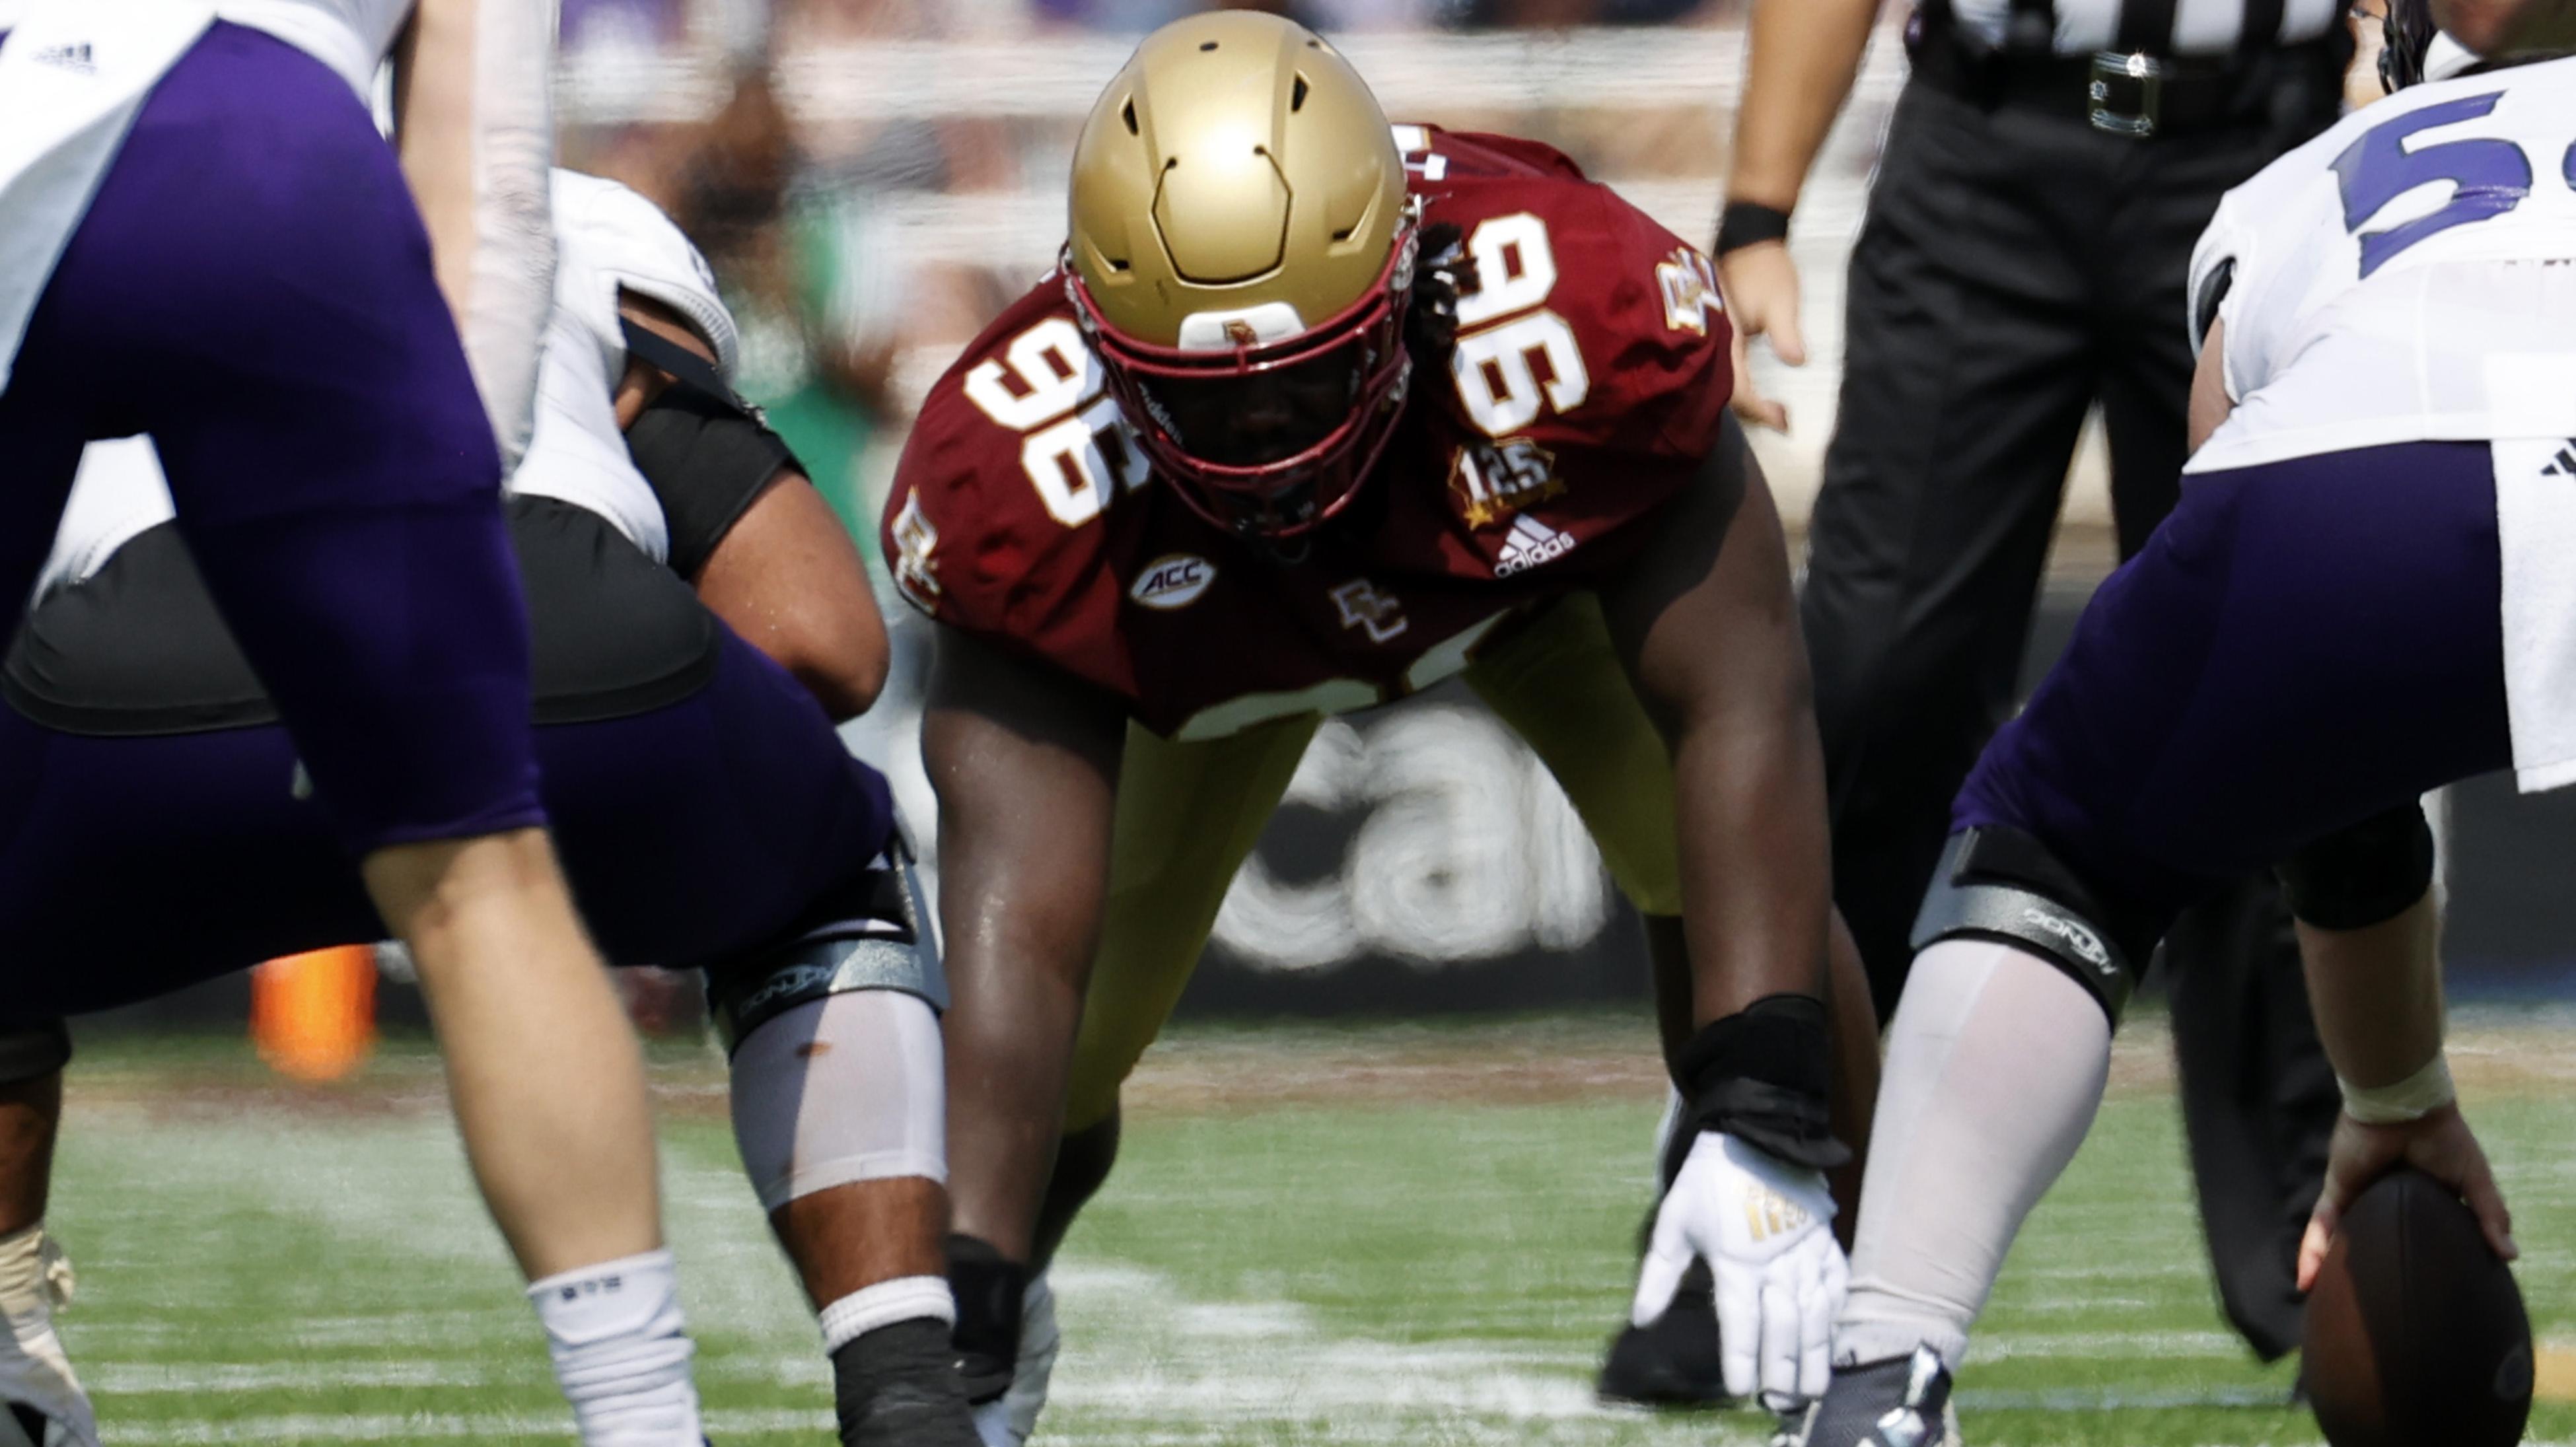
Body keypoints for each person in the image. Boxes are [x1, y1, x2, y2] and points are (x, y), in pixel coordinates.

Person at [882, 12, 1884, 1442]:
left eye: (1309, 373)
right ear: (1098, 335)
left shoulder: (1568, 307)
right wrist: (967, 1271)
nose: (1268, 443)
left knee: (1722, 876)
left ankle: (1881, 1330)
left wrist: (1767, 1115)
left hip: (1520, 583)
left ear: (1407, 269)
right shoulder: (1024, 467)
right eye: (1207, 400)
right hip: (1204, 635)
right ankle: (997, 1320)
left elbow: (1745, 707)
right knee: (1073, 1041)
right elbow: (1018, 922)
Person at [0, 170, 984, 1447]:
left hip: (145, 684)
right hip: (532, 643)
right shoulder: (568, 217)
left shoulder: (58, 207)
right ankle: (905, 1383)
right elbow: (827, 647)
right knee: (824, 861)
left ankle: (12, 1361)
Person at [1791, 12, 2576, 1440]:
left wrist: (2393, 1091)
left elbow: (2314, 753)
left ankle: (1884, 1371)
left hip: (2363, 480)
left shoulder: (2301, 186)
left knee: (2053, 852)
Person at [1615, 0, 2361, 1398]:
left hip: (2268, 147)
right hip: (1987, 141)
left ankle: (2322, 1254)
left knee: (2262, 691)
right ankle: (1756, 1188)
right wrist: (1758, 208)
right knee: (1872, 679)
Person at [0, 1, 721, 1438]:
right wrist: (453, 509)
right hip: (270, 146)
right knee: (479, 876)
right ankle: (647, 1425)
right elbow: (491, 153)